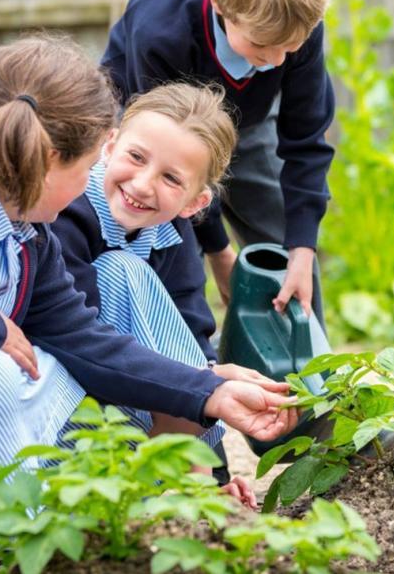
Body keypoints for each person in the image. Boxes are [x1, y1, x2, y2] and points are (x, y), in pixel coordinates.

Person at [0, 35, 297, 574]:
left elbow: (86, 341)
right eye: (86, 169)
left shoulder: (23, 233)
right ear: (46, 161)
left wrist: (211, 392)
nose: (89, 185)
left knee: (59, 378)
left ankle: (57, 537)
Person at [101, 0, 334, 322]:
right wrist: (219, 251)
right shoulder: (161, 27)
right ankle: (190, 359)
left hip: (247, 122)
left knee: (285, 241)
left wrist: (303, 249)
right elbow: (176, 159)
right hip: (156, 133)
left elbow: (306, 141)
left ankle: (308, 368)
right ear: (222, 5)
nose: (275, 61)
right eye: (260, 46)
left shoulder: (297, 26)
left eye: (288, 49)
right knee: (173, 238)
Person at [53, 82, 252, 500]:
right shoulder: (66, 210)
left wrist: (217, 474)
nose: (143, 185)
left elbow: (190, 334)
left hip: (136, 398)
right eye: (136, 157)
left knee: (198, 361)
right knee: (121, 271)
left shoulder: (171, 231)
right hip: (72, 393)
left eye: (170, 178)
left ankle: (193, 478)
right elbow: (76, 340)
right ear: (109, 145)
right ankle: (184, 479)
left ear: (194, 204)